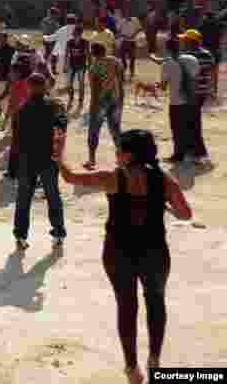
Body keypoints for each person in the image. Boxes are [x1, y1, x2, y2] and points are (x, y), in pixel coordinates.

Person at [53, 129, 192, 384]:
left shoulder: (112, 178)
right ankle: (155, 361)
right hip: (155, 252)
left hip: (119, 253)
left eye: (120, 151)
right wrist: (167, 207)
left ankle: (131, 369)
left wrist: (60, 155)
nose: (116, 155)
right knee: (156, 302)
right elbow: (186, 214)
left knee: (126, 306)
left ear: (128, 155)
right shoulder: (164, 180)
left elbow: (71, 177)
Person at [13, 74, 69, 250]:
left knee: (24, 198)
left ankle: (21, 236)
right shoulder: (54, 106)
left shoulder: (22, 109)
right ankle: (58, 233)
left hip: (27, 159)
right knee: (53, 195)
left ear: (29, 87)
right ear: (45, 86)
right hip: (48, 159)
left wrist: (15, 164)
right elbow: (62, 128)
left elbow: (16, 139)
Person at [157, 37, 200, 163]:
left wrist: (158, 85)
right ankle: (195, 155)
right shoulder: (192, 59)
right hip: (192, 101)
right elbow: (195, 79)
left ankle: (178, 155)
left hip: (176, 102)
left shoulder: (166, 64)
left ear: (167, 49)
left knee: (177, 129)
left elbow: (164, 87)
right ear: (179, 47)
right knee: (192, 128)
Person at [177, 29, 214, 164]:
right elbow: (211, 72)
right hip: (202, 92)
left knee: (191, 122)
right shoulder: (207, 54)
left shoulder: (186, 55)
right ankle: (194, 151)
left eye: (185, 40)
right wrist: (212, 90)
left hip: (190, 93)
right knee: (192, 119)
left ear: (190, 42)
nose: (182, 42)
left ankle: (199, 152)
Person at [85, 43, 125, 170]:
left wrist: (93, 107)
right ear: (104, 50)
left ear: (92, 53)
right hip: (115, 100)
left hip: (101, 102)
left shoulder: (94, 67)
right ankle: (122, 160)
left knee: (94, 130)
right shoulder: (116, 61)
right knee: (116, 130)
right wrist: (121, 99)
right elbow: (121, 80)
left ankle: (91, 160)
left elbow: (95, 90)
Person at [65, 25, 91, 109]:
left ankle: (80, 99)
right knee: (69, 83)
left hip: (81, 65)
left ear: (80, 33)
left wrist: (90, 65)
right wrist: (65, 65)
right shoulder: (69, 42)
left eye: (77, 32)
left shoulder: (85, 42)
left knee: (81, 83)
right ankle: (71, 97)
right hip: (71, 65)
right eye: (75, 32)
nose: (75, 33)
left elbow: (88, 54)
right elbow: (67, 54)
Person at [116, 11, 142, 80]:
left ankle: (132, 73)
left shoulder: (135, 20)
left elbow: (139, 29)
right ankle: (124, 68)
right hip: (124, 41)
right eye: (126, 14)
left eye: (129, 14)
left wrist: (134, 34)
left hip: (132, 42)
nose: (128, 15)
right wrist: (123, 35)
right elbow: (118, 31)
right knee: (122, 56)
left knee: (132, 58)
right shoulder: (121, 21)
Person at [40, 8, 61, 75]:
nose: (57, 15)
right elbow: (45, 30)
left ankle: (51, 69)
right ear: (53, 14)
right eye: (56, 14)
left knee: (51, 55)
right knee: (49, 55)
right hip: (49, 39)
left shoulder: (52, 21)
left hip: (52, 40)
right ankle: (43, 68)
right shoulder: (47, 21)